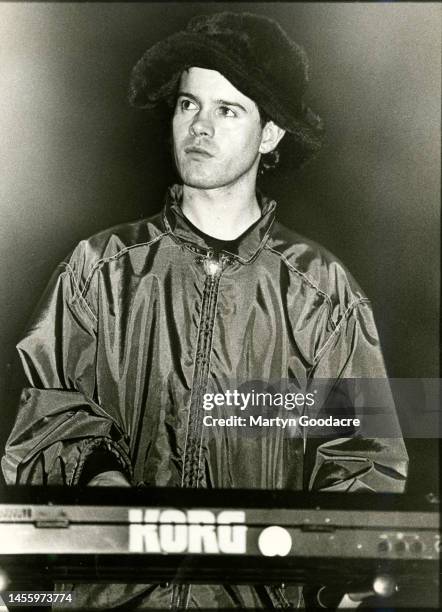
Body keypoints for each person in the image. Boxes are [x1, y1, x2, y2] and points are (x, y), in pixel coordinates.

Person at [2, 12, 408, 610]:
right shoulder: (99, 269)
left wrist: (335, 590)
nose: (199, 127)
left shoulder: (323, 294)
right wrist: (103, 485)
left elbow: (364, 464)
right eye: (188, 105)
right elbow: (44, 417)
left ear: (270, 135)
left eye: (227, 110)